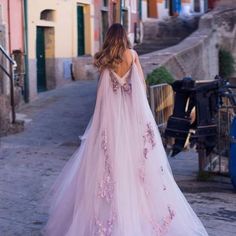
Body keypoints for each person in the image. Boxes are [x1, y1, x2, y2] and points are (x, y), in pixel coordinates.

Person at [41, 23, 209, 236]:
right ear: (124, 38)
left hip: (109, 123)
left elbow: (101, 99)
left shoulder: (104, 60)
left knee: (108, 168)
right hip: (131, 121)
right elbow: (141, 86)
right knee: (136, 169)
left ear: (109, 38)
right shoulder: (132, 55)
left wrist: (99, 126)